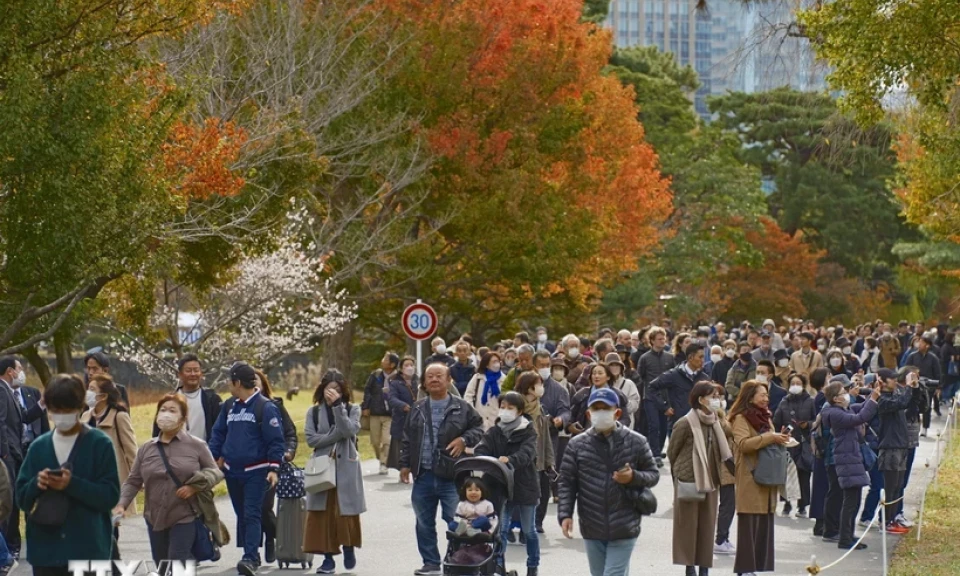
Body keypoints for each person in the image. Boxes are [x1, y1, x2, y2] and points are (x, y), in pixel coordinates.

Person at [16, 374, 120, 576]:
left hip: (88, 551)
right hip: (46, 551)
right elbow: (21, 498)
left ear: (80, 407)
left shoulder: (99, 444)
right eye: (56, 410)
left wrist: (72, 484)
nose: (61, 415)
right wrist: (37, 484)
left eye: (67, 410)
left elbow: (110, 495)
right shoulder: (39, 447)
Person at [557, 388, 660, 576]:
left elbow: (653, 474)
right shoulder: (577, 444)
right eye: (596, 409)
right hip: (591, 524)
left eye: (605, 408)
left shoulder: (637, 441)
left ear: (617, 412)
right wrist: (565, 514)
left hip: (625, 523)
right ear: (589, 413)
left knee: (613, 573)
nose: (600, 412)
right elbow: (567, 481)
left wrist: (633, 477)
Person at [114, 394, 223, 564]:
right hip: (154, 517)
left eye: (172, 410)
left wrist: (194, 487)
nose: (166, 414)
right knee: (162, 564)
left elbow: (216, 473)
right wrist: (121, 505)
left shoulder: (197, 445)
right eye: (162, 410)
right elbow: (133, 480)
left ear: (183, 418)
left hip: (184, 515)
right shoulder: (147, 448)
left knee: (178, 560)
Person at [400, 363, 484, 576]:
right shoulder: (417, 408)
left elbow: (479, 427)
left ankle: (457, 560)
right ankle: (431, 563)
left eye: (439, 376)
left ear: (448, 381)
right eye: (430, 377)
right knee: (423, 523)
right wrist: (404, 465)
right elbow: (407, 438)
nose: (434, 379)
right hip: (423, 475)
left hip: (452, 476)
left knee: (456, 521)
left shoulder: (461, 407)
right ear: (425, 383)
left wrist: (464, 440)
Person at [208, 362, 286, 576]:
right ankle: (252, 553)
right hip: (233, 471)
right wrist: (212, 458)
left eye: (229, 380)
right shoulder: (229, 406)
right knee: (242, 514)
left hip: (257, 470)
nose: (227, 384)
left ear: (238, 382)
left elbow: (276, 441)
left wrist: (273, 467)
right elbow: (218, 433)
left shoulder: (265, 407)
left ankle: (250, 557)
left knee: (252, 513)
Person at [668, 383, 734, 576]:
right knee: (688, 525)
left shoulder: (716, 422)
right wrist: (680, 474)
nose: (717, 399)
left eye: (718, 396)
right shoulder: (685, 423)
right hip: (690, 479)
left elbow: (727, 441)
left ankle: (704, 565)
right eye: (713, 396)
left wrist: (721, 417)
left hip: (712, 479)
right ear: (700, 399)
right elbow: (672, 452)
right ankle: (690, 566)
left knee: (707, 524)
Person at [304, 369, 365, 575]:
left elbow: (349, 431)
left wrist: (339, 408)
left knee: (344, 511)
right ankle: (327, 559)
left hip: (346, 467)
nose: (333, 393)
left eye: (337, 389)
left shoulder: (352, 408)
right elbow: (311, 439)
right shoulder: (313, 412)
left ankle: (348, 547)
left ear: (343, 391)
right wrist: (334, 434)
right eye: (329, 389)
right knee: (322, 513)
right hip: (322, 467)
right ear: (322, 390)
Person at [475, 390, 541, 576]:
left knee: (529, 531)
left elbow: (527, 454)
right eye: (502, 407)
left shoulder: (528, 431)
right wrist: (486, 458)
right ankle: (498, 566)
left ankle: (532, 566)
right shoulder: (494, 431)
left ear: (519, 411)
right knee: (500, 530)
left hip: (524, 485)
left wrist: (510, 459)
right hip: (500, 486)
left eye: (510, 408)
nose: (505, 411)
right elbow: (482, 448)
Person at [728, 380, 790, 575]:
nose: (765, 399)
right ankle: (745, 568)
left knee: (763, 523)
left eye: (767, 395)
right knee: (749, 523)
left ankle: (756, 566)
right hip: (750, 475)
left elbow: (767, 439)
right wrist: (771, 437)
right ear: (750, 396)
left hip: (766, 475)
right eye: (761, 395)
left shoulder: (765, 416)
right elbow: (744, 444)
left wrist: (779, 437)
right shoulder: (740, 418)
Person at [821, 378, 880, 550]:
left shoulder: (843, 410)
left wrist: (872, 395)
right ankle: (845, 538)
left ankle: (848, 535)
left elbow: (861, 409)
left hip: (851, 458)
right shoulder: (834, 414)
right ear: (835, 399)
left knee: (853, 500)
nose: (847, 395)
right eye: (843, 393)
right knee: (849, 501)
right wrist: (874, 399)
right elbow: (861, 417)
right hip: (846, 459)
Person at [253, 369, 298, 564]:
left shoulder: (275, 405)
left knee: (263, 506)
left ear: (263, 383)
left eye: (256, 381)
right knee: (250, 509)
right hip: (246, 465)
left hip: (271, 463)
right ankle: (253, 550)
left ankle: (274, 538)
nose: (253, 385)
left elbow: (290, 433)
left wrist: (288, 452)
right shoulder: (236, 408)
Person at [873, 368, 918, 534]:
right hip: (890, 448)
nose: (895, 382)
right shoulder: (883, 400)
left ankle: (892, 519)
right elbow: (902, 402)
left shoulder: (895, 396)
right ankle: (885, 522)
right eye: (892, 379)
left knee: (898, 486)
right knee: (890, 487)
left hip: (901, 446)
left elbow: (911, 403)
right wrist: (908, 387)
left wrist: (914, 387)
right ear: (883, 381)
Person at [534, 352, 570, 530]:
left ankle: (538, 520)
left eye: (546, 364)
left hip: (549, 438)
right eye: (541, 365)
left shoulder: (559, 390)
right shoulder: (526, 385)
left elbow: (565, 410)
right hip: (527, 438)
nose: (545, 368)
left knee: (544, 478)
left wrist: (561, 419)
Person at [152, 354, 224, 442]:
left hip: (203, 452)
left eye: (196, 370)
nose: (193, 374)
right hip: (175, 452)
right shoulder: (170, 400)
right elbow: (158, 430)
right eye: (188, 370)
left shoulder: (212, 399)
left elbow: (221, 430)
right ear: (180, 374)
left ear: (201, 374)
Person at [773, 373, 815, 518]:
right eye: (793, 383)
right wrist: (781, 430)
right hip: (787, 442)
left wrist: (807, 424)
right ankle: (786, 503)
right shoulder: (784, 401)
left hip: (804, 442)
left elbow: (815, 421)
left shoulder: (810, 401)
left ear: (803, 385)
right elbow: (776, 421)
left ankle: (802, 505)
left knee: (803, 474)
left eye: (798, 383)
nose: (795, 386)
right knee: (786, 474)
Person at [0, 357, 25, 561]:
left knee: (14, 500)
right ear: (10, 371)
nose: (21, 372)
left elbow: (21, 418)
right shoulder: (1, 390)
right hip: (7, 455)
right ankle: (8, 548)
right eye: (19, 369)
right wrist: (5, 452)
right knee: (7, 499)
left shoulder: (10, 392)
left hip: (15, 453)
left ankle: (12, 546)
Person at [650, 343, 710, 428]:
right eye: (700, 357)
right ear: (690, 358)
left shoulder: (705, 378)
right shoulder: (673, 375)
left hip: (700, 424)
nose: (703, 360)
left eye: (704, 357)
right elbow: (652, 387)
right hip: (678, 424)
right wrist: (664, 407)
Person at [362, 352, 399, 475]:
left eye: (386, 359)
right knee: (375, 441)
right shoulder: (375, 375)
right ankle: (380, 458)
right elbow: (367, 390)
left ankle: (384, 463)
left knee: (387, 439)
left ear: (392, 364)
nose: (383, 360)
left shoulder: (398, 377)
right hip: (375, 412)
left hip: (390, 414)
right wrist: (365, 406)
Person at [568, 364, 630, 435]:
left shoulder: (617, 395)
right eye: (594, 373)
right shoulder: (582, 394)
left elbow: (626, 419)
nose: (596, 376)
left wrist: (614, 428)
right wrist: (569, 426)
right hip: (585, 436)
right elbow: (571, 415)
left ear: (608, 377)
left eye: (600, 373)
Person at [387, 357, 419, 473]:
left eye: (411, 365)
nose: (409, 368)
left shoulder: (418, 382)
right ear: (401, 368)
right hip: (402, 419)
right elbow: (392, 398)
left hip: (417, 418)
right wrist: (403, 405)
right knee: (402, 445)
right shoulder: (395, 383)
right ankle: (403, 468)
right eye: (406, 365)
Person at [905, 334, 941, 435]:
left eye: (921, 342)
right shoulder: (912, 356)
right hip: (914, 385)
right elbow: (906, 369)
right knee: (914, 406)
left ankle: (925, 427)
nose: (919, 344)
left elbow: (937, 373)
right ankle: (916, 425)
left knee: (927, 407)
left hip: (928, 387)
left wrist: (938, 387)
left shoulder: (933, 358)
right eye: (919, 342)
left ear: (927, 345)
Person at [465, 352, 506, 431]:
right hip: (479, 418)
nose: (497, 364)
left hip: (497, 420)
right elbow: (468, 395)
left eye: (498, 361)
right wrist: (473, 412)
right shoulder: (478, 378)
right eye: (494, 362)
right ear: (487, 365)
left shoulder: (504, 379)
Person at [605, 353, 640, 429]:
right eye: (611, 365)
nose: (614, 368)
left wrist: (623, 405)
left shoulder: (629, 384)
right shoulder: (603, 384)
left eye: (617, 365)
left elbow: (635, 404)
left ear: (621, 367)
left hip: (626, 426)